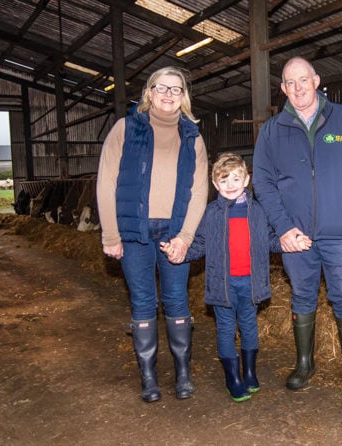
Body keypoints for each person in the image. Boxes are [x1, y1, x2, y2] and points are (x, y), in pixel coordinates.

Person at [252, 56, 342, 397]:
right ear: (283, 89)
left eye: (303, 80)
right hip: (297, 237)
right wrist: (282, 227)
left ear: (316, 80)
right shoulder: (272, 131)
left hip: (339, 234)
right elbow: (262, 182)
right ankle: (304, 363)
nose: (297, 89)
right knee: (303, 296)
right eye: (290, 83)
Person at [96, 66, 209, 403]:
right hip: (135, 232)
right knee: (143, 301)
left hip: (174, 231)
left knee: (176, 300)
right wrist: (110, 234)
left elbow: (199, 189)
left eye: (176, 89)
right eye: (162, 87)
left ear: (183, 97)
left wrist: (186, 237)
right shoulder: (125, 129)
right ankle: (148, 377)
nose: (169, 94)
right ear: (149, 92)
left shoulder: (192, 136)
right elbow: (106, 182)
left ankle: (183, 373)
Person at [162, 152, 308, 402]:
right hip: (223, 285)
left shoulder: (258, 212)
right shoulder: (211, 214)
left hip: (250, 283)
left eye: (236, 179)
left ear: (246, 179)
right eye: (224, 180)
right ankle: (232, 376)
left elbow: (270, 240)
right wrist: (180, 254)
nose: (230, 185)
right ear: (215, 184)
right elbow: (200, 244)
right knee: (227, 329)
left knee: (250, 326)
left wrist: (290, 244)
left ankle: (249, 371)